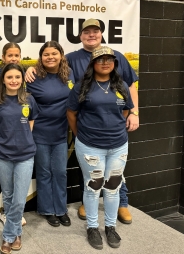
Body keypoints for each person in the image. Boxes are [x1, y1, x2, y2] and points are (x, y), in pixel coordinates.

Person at [25, 18, 139, 225]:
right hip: (74, 130)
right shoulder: (71, 60)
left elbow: (130, 85)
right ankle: (70, 206)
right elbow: (49, 63)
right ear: (81, 36)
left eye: (96, 31)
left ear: (102, 34)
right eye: (87, 32)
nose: (91, 35)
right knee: (73, 171)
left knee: (111, 172)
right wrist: (30, 68)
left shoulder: (117, 56)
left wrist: (134, 113)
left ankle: (122, 203)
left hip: (106, 132)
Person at [66, 46, 134, 250]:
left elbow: (125, 112)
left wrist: (112, 130)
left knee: (113, 188)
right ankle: (93, 227)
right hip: (90, 146)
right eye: (100, 59)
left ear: (114, 63)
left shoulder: (121, 85)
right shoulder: (81, 86)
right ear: (93, 64)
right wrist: (82, 135)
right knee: (93, 186)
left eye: (109, 59)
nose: (105, 63)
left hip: (118, 145)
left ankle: (110, 227)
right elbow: (71, 114)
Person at [0, 63, 39, 254]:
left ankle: (7, 236)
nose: (14, 80)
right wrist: (1, 142)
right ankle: (16, 234)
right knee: (7, 195)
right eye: (9, 77)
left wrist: (21, 140)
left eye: (17, 77)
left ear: (22, 79)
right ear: (3, 80)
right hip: (2, 155)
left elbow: (30, 123)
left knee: (18, 198)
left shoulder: (29, 100)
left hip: (25, 155)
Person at [26, 41, 75, 227]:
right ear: (41, 57)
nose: (50, 57)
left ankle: (61, 209)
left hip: (61, 132)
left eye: (54, 53)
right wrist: (27, 69)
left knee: (61, 172)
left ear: (61, 55)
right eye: (46, 54)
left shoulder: (69, 74)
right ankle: (48, 210)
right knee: (44, 172)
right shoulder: (33, 76)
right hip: (39, 133)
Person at [0, 42, 28, 227]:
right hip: (3, 144)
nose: (13, 58)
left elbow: (30, 121)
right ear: (3, 57)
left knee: (19, 189)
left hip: (23, 145)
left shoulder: (26, 76)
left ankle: (13, 221)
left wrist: (23, 136)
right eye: (10, 55)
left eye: (17, 55)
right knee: (7, 187)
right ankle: (8, 215)